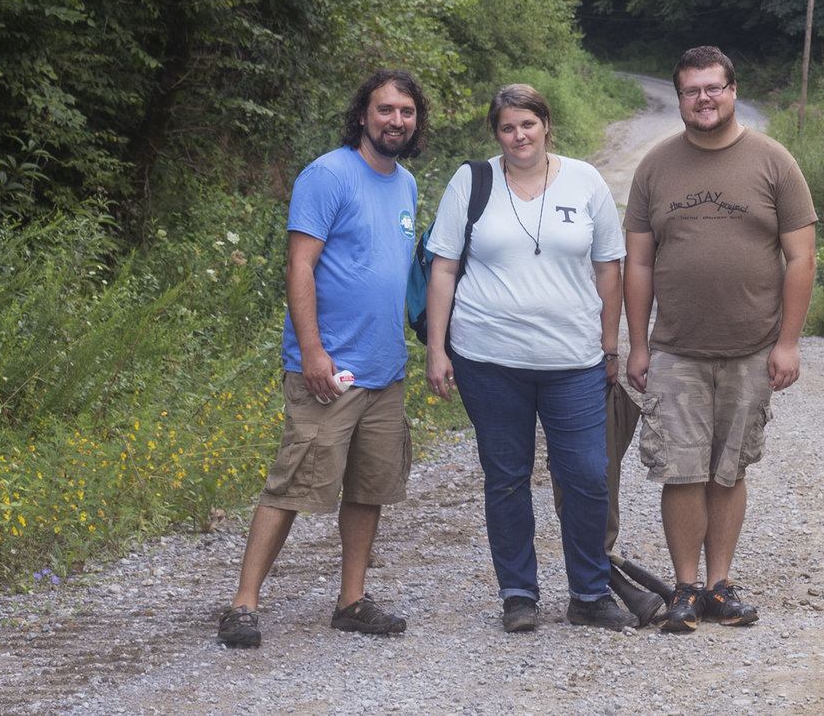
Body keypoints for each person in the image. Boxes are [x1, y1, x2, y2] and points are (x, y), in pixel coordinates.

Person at [217, 70, 425, 650]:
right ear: (363, 115)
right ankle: (242, 604)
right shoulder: (328, 174)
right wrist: (311, 351)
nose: (396, 121)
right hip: (330, 367)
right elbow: (299, 265)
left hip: (385, 370)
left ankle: (351, 600)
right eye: (385, 110)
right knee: (292, 483)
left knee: (368, 489)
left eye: (406, 112)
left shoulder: (405, 183)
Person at [424, 85, 639, 633]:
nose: (519, 136)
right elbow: (443, 268)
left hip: (574, 360)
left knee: (589, 476)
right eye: (507, 127)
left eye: (528, 124)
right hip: (488, 359)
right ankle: (519, 594)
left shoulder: (585, 180)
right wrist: (436, 350)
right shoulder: (471, 182)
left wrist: (610, 344)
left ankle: (589, 594)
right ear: (496, 134)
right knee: (506, 478)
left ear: (547, 124)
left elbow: (609, 267)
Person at [623, 45, 818, 633]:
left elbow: (802, 257)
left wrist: (787, 343)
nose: (703, 99)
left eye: (714, 88)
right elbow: (637, 263)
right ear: (678, 97)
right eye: (691, 90)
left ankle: (719, 587)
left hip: (752, 347)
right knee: (682, 471)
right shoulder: (656, 166)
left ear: (733, 90)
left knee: (728, 471)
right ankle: (684, 588)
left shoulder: (774, 162)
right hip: (676, 348)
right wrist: (638, 345)